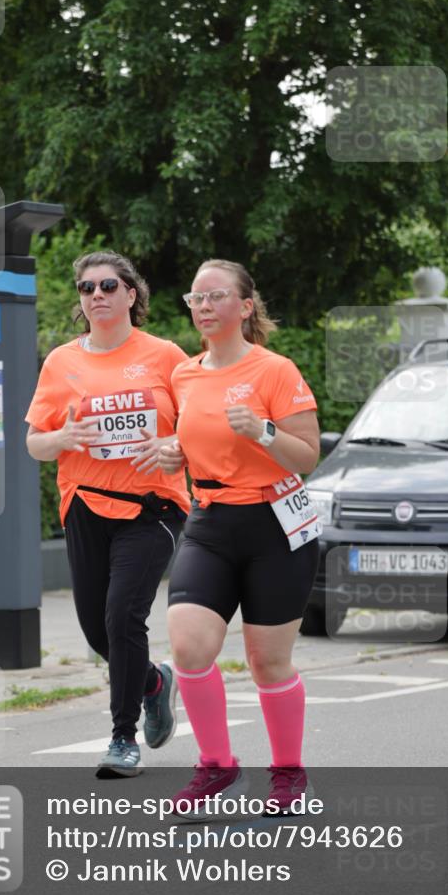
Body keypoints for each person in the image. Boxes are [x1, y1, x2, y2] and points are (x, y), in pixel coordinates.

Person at [157, 259, 321, 815]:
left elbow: (307, 456)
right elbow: (193, 439)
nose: (203, 307)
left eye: (215, 297)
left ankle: (288, 775)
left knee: (266, 662)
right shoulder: (185, 373)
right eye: (195, 298)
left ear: (245, 306)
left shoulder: (275, 370)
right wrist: (175, 452)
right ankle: (217, 765)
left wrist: (264, 430)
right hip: (210, 522)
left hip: (274, 523)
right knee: (188, 645)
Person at [25, 251, 190, 778]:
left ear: (131, 294)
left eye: (108, 285)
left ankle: (122, 738)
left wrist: (172, 444)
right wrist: (63, 436)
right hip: (85, 506)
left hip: (153, 507)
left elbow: (199, 428)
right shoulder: (61, 362)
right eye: (86, 288)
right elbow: (34, 443)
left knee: (123, 615)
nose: (96, 295)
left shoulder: (166, 357)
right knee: (99, 632)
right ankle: (153, 683)